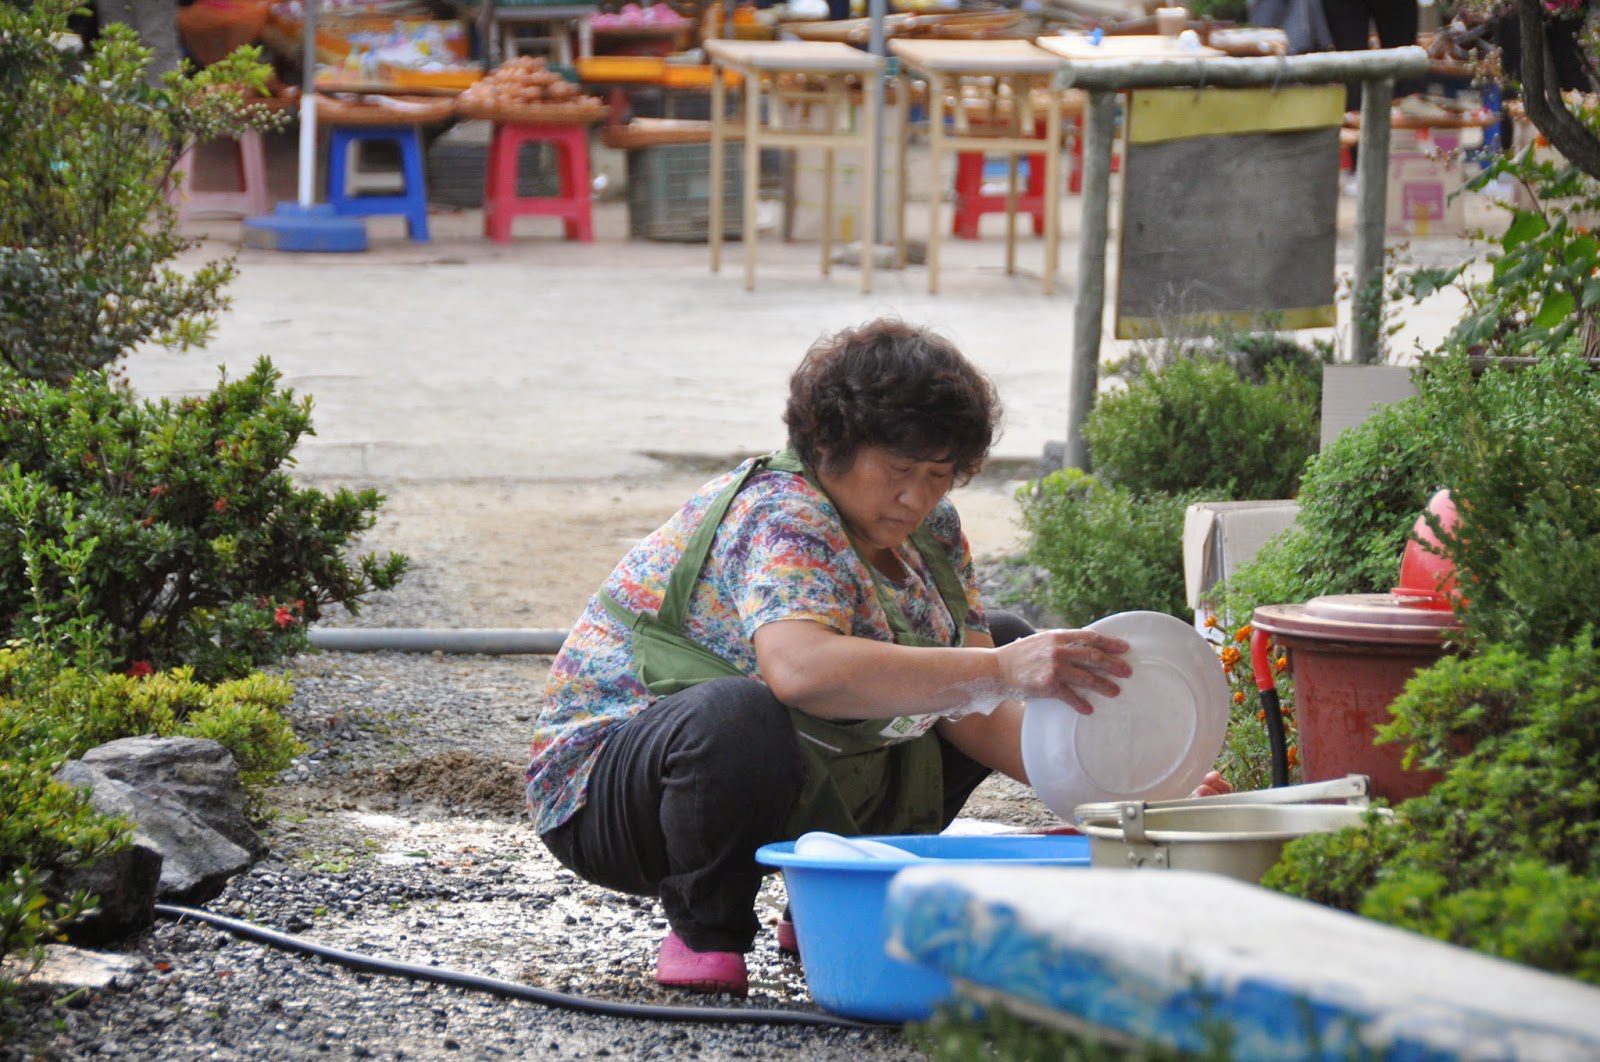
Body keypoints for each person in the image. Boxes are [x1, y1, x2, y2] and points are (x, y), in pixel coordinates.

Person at [525, 319, 1230, 997]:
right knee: (749, 711)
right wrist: (1002, 669)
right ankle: (707, 927)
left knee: (987, 656)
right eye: (899, 469)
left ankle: (834, 894)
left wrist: (1132, 796)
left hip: (783, 763)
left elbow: (975, 714)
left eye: (938, 474)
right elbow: (801, 671)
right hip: (613, 792)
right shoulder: (784, 513)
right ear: (832, 445)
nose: (917, 496)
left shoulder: (933, 530)